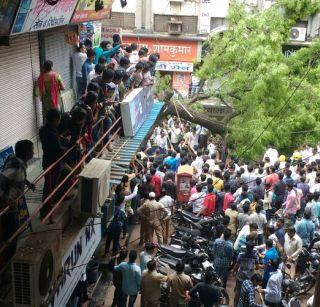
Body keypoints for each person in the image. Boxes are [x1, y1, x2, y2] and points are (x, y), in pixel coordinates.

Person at [0, 140, 34, 261]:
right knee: (11, 236)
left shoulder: (17, 162)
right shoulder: (17, 167)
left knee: (10, 234)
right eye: (32, 150)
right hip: (7, 208)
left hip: (12, 206)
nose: (34, 152)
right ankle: (7, 265)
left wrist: (27, 182)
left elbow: (14, 179)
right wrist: (6, 201)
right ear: (26, 153)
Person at [39, 109, 66, 218]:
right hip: (54, 162)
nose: (59, 122)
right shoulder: (53, 134)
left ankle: (45, 208)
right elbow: (60, 151)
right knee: (50, 187)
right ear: (55, 120)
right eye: (59, 119)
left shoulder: (43, 130)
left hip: (46, 160)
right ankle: (46, 211)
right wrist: (66, 145)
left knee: (48, 185)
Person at [105, 186, 138, 256]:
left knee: (109, 238)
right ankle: (114, 252)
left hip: (111, 220)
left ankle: (106, 252)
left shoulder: (113, 196)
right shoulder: (123, 198)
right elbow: (134, 194)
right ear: (121, 191)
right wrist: (135, 187)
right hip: (118, 222)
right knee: (116, 239)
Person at [233, 241, 259, 306]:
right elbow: (257, 267)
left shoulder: (241, 255)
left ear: (246, 248)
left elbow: (237, 264)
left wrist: (233, 271)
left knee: (238, 292)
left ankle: (235, 305)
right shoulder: (255, 256)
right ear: (253, 248)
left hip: (240, 276)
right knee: (249, 292)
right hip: (250, 278)